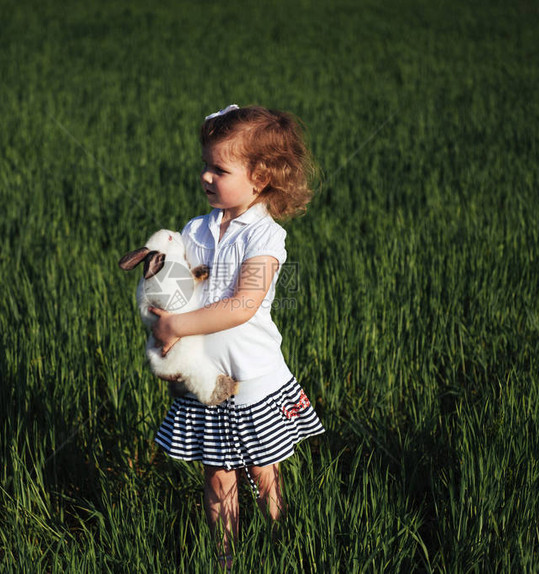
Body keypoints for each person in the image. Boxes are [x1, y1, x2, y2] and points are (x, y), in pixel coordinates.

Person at [149, 104, 325, 567]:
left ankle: (280, 534)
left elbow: (243, 305)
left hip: (253, 380)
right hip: (206, 381)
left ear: (260, 177)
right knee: (217, 477)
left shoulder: (265, 237)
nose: (206, 176)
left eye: (219, 169)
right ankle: (224, 557)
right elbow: (177, 291)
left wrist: (179, 326)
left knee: (262, 468)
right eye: (204, 165)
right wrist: (167, 338)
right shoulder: (195, 230)